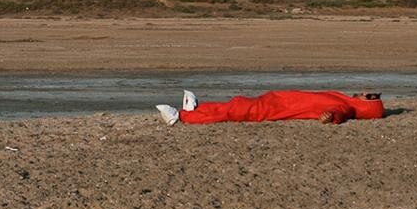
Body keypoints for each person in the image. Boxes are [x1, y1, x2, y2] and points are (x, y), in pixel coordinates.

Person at [156, 89, 384, 125]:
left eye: (369, 96)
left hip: (278, 108)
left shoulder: (347, 108)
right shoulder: (343, 99)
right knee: (238, 104)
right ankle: (196, 108)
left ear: (368, 105)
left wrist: (329, 117)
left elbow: (336, 116)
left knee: (238, 110)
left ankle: (183, 117)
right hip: (278, 101)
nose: (364, 92)